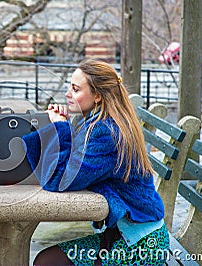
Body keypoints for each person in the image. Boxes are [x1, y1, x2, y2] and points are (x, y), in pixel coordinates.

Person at [22, 59, 169, 265]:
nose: (67, 94)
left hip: (141, 244)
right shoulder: (96, 122)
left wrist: (60, 127)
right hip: (121, 234)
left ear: (98, 96)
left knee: (48, 262)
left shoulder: (107, 133)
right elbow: (75, 164)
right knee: (47, 260)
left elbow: (62, 181)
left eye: (75, 89)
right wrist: (60, 126)